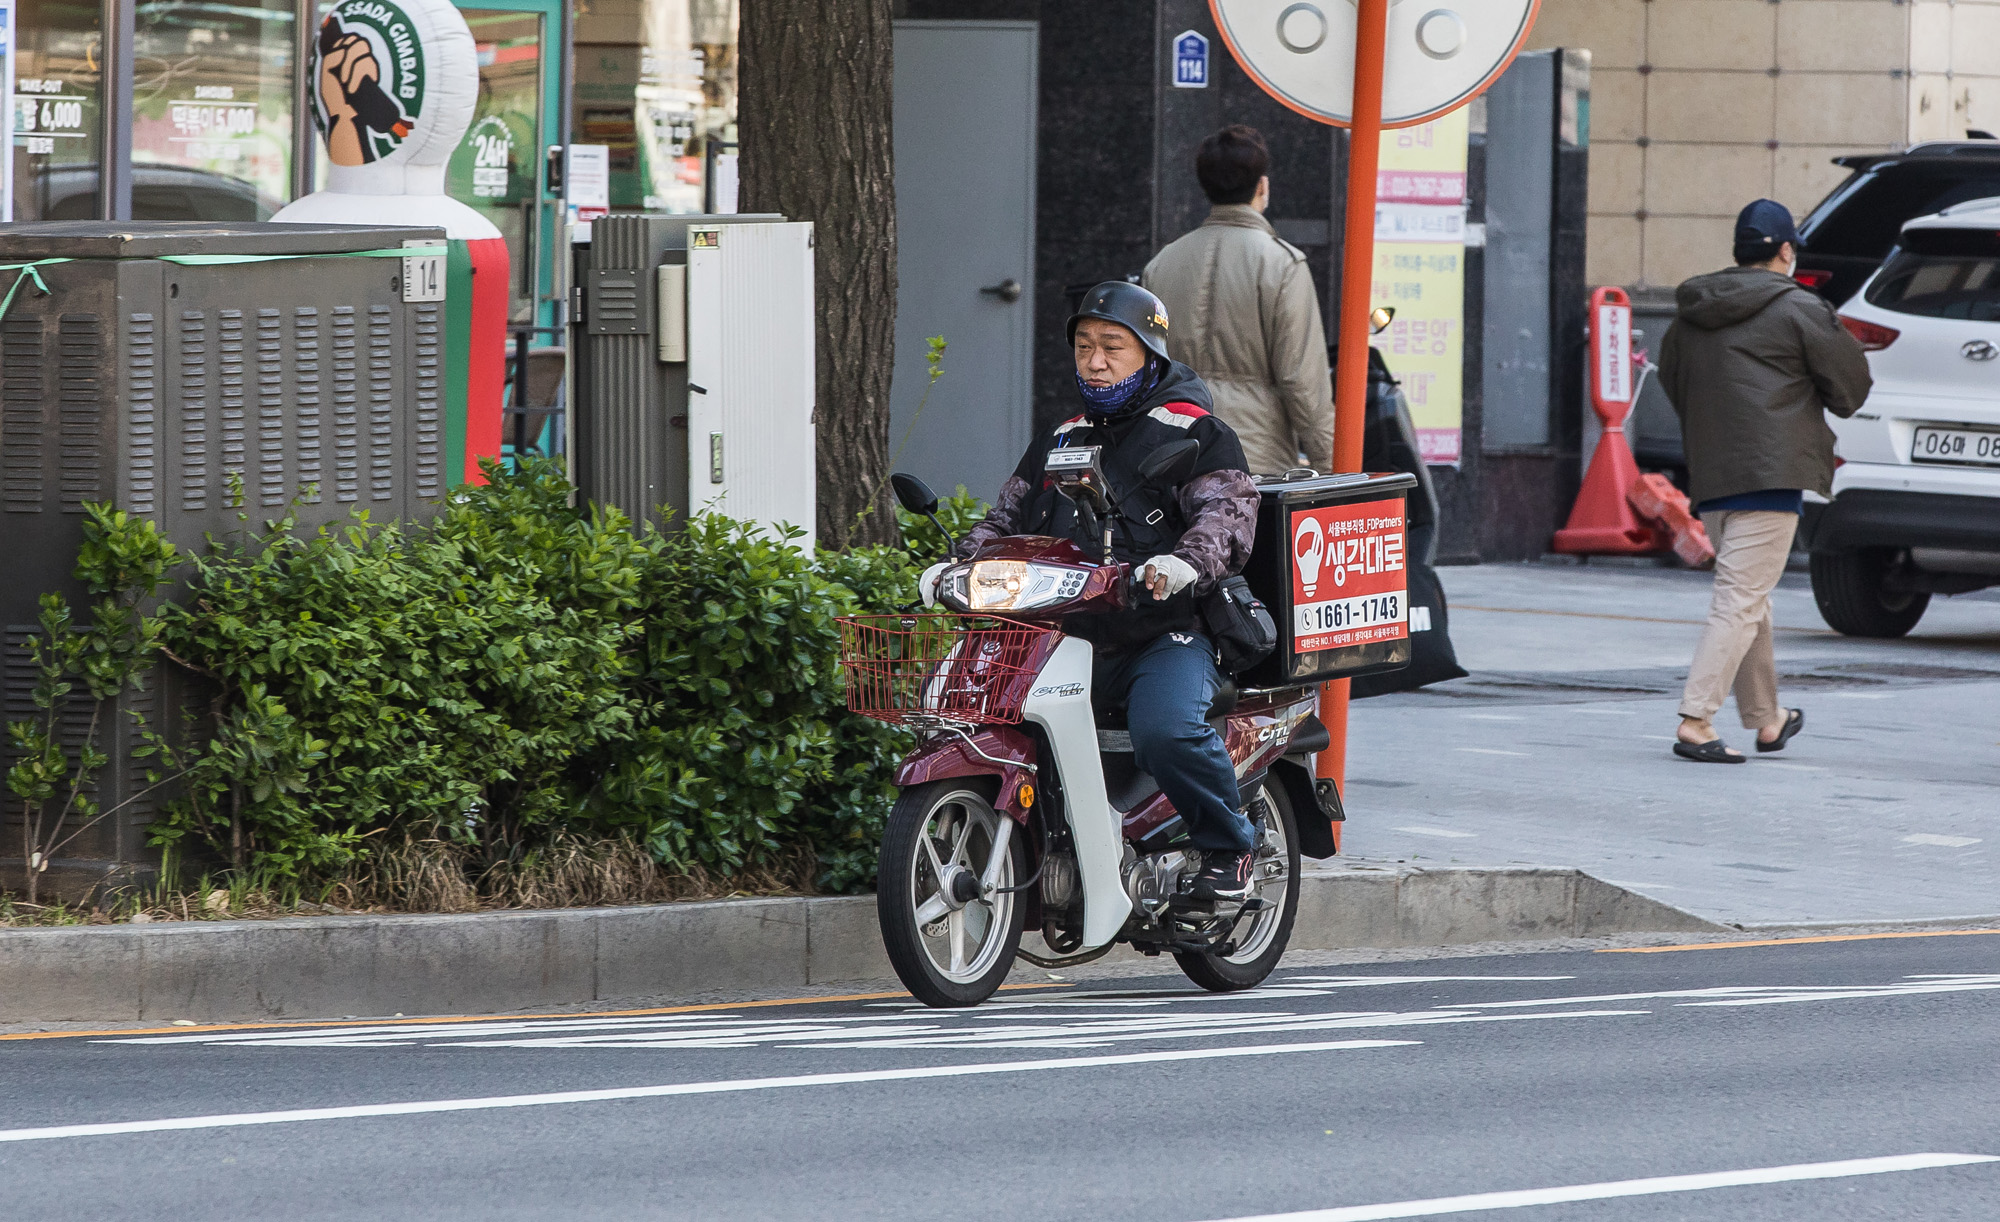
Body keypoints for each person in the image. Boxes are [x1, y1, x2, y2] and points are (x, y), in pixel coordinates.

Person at [922, 282, 1264, 899]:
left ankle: (1230, 846)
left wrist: (1184, 564)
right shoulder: (1062, 438)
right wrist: (956, 565)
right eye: (1084, 347)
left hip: (1162, 633)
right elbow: (1007, 517)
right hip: (1065, 634)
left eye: (1113, 347)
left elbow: (1226, 516)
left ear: (1151, 355)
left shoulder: (1194, 431)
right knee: (969, 711)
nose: (1096, 361)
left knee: (1165, 728)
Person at [1657, 199, 1873, 763]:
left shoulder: (1691, 311)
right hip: (1771, 476)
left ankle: (1767, 718)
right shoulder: (1800, 308)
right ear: (1784, 250)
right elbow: (1852, 388)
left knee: (1750, 597)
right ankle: (1697, 720)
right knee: (1740, 598)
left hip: (1713, 474)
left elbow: (1675, 387)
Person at [1142, 125, 1336, 477]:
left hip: (1173, 451)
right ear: (1262, 186)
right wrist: (1331, 465)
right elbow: (1302, 382)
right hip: (1257, 458)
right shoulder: (1282, 264)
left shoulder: (1163, 263)